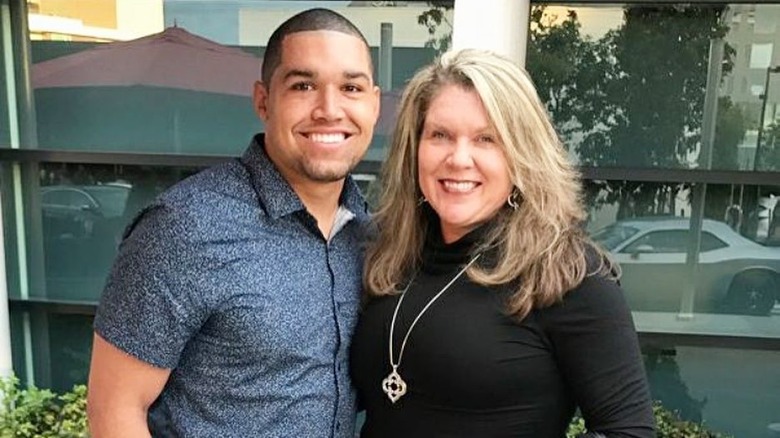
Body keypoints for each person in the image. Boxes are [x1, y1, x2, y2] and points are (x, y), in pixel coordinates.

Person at [87, 8, 380, 437]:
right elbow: (114, 411)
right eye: (303, 85)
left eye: (350, 88)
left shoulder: (367, 234)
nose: (329, 109)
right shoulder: (185, 228)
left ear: (372, 103)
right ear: (264, 100)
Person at [350, 49, 655, 437]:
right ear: (415, 149)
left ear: (521, 155)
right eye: (440, 135)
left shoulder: (568, 274)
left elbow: (627, 431)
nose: (459, 159)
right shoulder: (383, 255)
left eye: (486, 139)